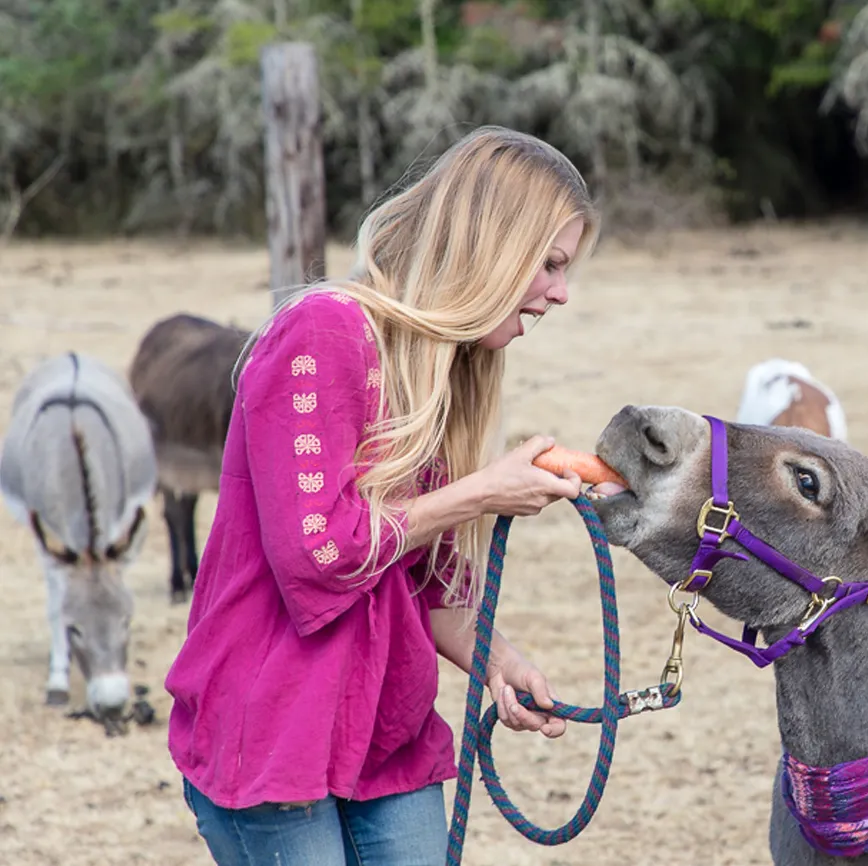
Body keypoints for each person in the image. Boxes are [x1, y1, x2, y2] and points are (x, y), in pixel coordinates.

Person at [164, 126, 600, 865]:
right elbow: (318, 553)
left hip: (383, 735)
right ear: (489, 245)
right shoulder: (323, 332)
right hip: (273, 736)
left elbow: (428, 587)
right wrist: (480, 493)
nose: (560, 293)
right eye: (550, 265)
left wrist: (498, 659)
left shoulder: (448, 372)